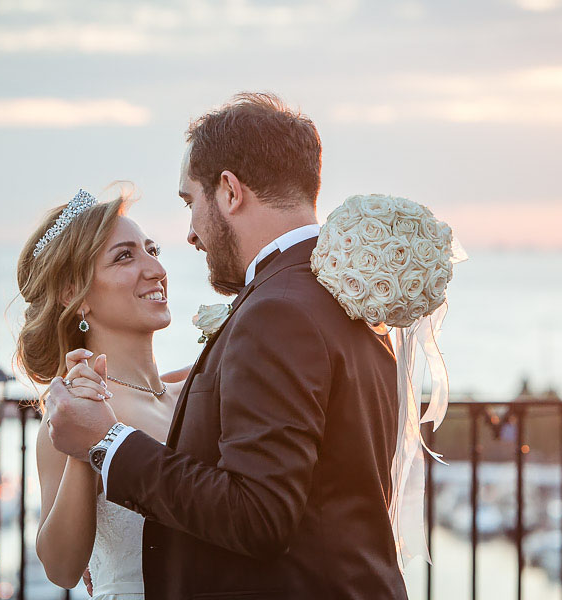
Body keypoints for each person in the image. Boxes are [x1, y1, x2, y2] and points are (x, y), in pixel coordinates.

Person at [46, 93, 409, 599]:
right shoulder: (347, 298)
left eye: (190, 202)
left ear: (230, 192)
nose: (191, 235)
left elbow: (258, 515)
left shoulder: (277, 310)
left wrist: (107, 445)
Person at [15, 188, 187, 599]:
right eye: (125, 256)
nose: (156, 268)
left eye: (151, 249)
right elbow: (61, 569)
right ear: (74, 295)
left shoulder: (190, 390)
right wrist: (89, 448)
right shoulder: (72, 416)